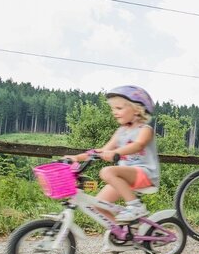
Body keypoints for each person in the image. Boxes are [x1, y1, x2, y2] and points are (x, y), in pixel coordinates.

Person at [64, 85, 159, 226]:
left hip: (145, 174)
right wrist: (77, 158)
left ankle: (136, 207)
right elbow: (102, 150)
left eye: (119, 108)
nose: (114, 112)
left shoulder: (145, 129)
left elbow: (138, 145)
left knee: (107, 171)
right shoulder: (120, 132)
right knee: (98, 205)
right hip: (124, 178)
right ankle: (122, 235)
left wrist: (116, 152)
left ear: (137, 109)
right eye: (113, 109)